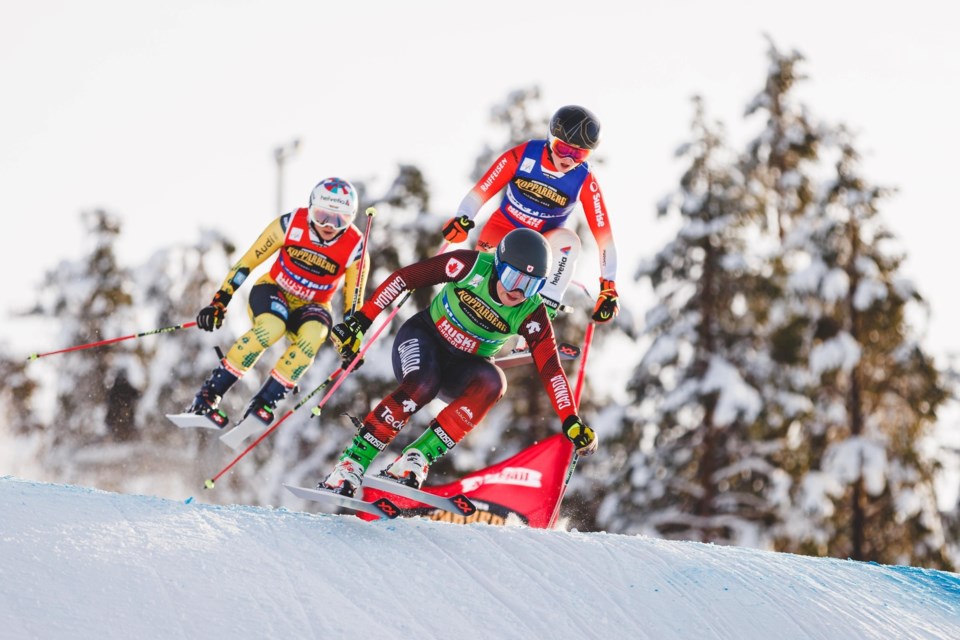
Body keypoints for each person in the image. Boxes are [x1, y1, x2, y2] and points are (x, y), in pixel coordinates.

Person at [318, 227, 598, 497]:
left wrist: (571, 420)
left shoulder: (531, 310)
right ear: (498, 265)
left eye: (530, 285)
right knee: (423, 385)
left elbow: (551, 370)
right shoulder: (470, 266)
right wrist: (361, 321)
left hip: (463, 367)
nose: (517, 292)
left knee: (493, 383)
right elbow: (405, 278)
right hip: (424, 338)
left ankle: (416, 457)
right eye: (512, 278)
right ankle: (351, 464)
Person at [182, 177, 368, 426]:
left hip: (313, 306)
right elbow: (247, 262)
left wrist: (351, 342)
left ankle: (264, 401)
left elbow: (353, 305)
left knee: (314, 336)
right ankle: (207, 397)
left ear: (351, 218)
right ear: (311, 207)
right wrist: (220, 301)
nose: (328, 226)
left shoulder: (355, 247)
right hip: (273, 290)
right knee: (271, 328)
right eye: (322, 215)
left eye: (339, 219)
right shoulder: (290, 224)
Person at [441, 104, 620, 324]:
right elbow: (482, 190)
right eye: (563, 149)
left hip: (544, 243)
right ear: (550, 138)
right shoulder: (525, 155)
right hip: (504, 230)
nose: (569, 160)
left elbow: (605, 237)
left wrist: (608, 287)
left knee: (569, 242)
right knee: (487, 287)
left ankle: (537, 325)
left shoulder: (584, 179)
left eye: (580, 154)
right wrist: (462, 218)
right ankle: (456, 322)